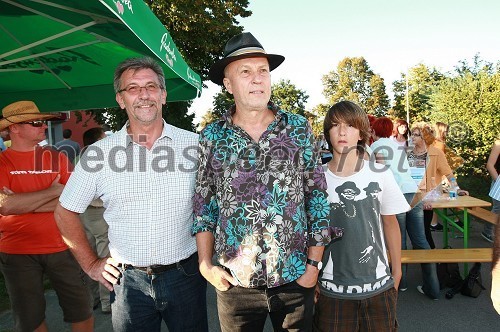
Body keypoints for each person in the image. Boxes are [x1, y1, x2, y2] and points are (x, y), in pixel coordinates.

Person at [193, 32, 337, 332]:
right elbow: (203, 204)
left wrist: (313, 266)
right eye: (245, 72)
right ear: (228, 84)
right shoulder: (212, 137)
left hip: (296, 278)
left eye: (263, 71)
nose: (257, 79)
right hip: (235, 284)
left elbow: (318, 199)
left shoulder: (297, 129)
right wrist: (206, 265)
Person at [54, 56, 208, 331]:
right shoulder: (98, 155)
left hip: (185, 276)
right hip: (126, 284)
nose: (144, 95)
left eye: (150, 86)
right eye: (133, 88)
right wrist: (91, 265)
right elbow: (64, 212)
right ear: (121, 99)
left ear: (163, 95)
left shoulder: (195, 146)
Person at [314, 101, 409, 331]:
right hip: (332, 291)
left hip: (379, 289)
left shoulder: (380, 175)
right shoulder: (316, 179)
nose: (342, 131)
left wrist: (397, 271)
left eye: (350, 125)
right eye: (335, 125)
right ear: (328, 132)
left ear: (361, 133)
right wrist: (312, 276)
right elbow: (312, 233)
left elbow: (390, 224)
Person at [0, 100, 94, 331]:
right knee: (29, 318)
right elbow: (5, 206)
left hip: (65, 245)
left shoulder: (56, 157)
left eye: (44, 122)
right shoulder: (2, 162)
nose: (44, 127)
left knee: (81, 309)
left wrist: (22, 202)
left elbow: (77, 199)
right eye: (37, 122)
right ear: (15, 128)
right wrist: (54, 191)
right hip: (17, 251)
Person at [371, 117, 439, 299]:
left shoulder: (375, 147)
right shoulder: (398, 147)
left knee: (399, 240)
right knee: (420, 240)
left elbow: (372, 172)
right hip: (412, 192)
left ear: (373, 131)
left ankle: (400, 284)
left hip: (396, 194)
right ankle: (432, 287)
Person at [407, 122, 468, 249]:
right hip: (409, 196)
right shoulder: (407, 152)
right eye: (412, 134)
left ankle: (431, 260)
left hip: (427, 197)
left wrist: (457, 189)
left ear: (425, 137)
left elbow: (448, 173)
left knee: (423, 232)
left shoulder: (436, 153)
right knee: (413, 232)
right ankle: (423, 258)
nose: (413, 137)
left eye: (417, 135)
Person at [79, 127, 111, 314]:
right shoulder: (98, 157)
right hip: (98, 212)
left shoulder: (80, 156)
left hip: (84, 213)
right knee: (103, 257)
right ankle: (107, 302)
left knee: (89, 256)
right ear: (98, 140)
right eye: (104, 137)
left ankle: (92, 300)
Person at [482, 139, 500, 243]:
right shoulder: (498, 143)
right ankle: (487, 231)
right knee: (498, 208)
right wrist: (498, 182)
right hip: (498, 180)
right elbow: (490, 165)